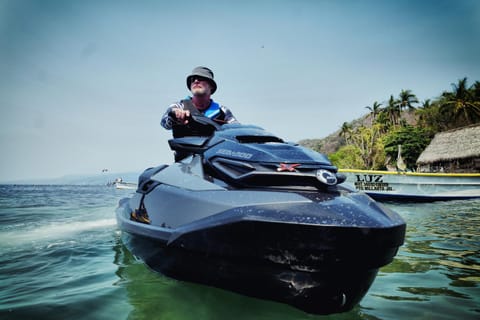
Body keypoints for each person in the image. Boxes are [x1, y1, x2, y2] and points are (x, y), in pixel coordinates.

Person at [161, 66, 238, 139]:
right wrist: (174, 115)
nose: (196, 81)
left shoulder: (223, 111)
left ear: (211, 86)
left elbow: (237, 130)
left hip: (216, 152)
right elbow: (164, 122)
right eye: (193, 79)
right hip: (187, 152)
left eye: (201, 78)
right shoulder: (179, 106)